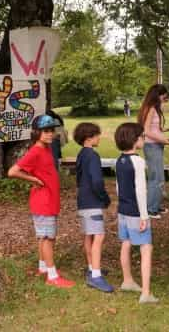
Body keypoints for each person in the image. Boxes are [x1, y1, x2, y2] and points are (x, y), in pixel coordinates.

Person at [8, 114, 75, 288]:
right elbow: (13, 171)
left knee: (43, 237)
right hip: (43, 201)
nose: (49, 134)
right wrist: (34, 180)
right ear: (37, 132)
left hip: (49, 200)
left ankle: (43, 267)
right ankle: (52, 276)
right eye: (45, 131)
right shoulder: (36, 150)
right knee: (47, 238)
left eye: (51, 130)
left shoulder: (46, 148)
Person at [114, 122, 159, 304]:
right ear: (135, 140)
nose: (144, 139)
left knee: (126, 243)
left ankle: (128, 280)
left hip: (123, 211)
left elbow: (118, 187)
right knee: (146, 248)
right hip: (135, 213)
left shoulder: (119, 160)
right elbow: (141, 191)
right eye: (142, 136)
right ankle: (146, 292)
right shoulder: (138, 161)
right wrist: (144, 216)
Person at [74, 122, 113, 293]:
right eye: (97, 135)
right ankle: (96, 276)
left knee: (89, 236)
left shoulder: (81, 154)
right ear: (89, 138)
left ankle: (91, 267)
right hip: (92, 202)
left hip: (82, 201)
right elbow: (97, 181)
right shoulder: (93, 156)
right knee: (99, 236)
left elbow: (79, 179)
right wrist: (104, 198)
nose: (99, 138)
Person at [137, 84, 169, 219]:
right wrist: (164, 140)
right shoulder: (151, 108)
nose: (164, 98)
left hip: (156, 145)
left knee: (159, 177)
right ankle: (151, 209)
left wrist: (164, 131)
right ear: (157, 95)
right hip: (152, 146)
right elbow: (146, 131)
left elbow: (152, 128)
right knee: (156, 178)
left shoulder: (154, 108)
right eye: (163, 95)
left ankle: (156, 205)